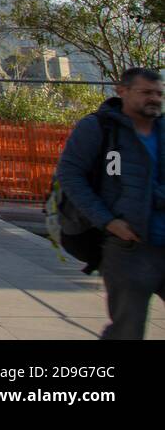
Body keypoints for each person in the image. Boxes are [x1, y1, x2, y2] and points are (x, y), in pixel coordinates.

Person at [55, 68, 165, 340]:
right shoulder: (98, 128)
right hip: (128, 245)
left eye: (159, 93)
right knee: (128, 328)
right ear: (122, 91)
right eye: (146, 92)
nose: (154, 99)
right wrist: (108, 221)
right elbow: (70, 175)